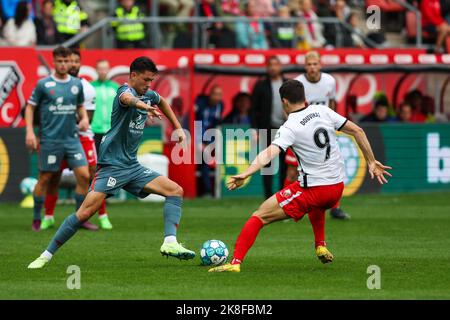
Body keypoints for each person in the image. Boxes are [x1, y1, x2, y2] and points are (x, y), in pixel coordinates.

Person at [27, 56, 195, 269]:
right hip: (111, 167)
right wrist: (144, 106)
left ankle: (170, 243)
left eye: (151, 80)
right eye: (145, 80)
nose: (149, 85)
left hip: (132, 167)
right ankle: (45, 255)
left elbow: (162, 101)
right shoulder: (124, 92)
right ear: (133, 76)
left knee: (175, 191)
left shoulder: (148, 93)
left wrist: (178, 127)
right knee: (84, 213)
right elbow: (127, 99)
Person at [208, 80, 392, 273]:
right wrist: (371, 161)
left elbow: (269, 152)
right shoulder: (323, 111)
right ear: (305, 98)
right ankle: (320, 245)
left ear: (284, 102)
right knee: (316, 203)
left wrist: (245, 173)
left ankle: (235, 263)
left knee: (259, 216)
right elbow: (358, 131)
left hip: (315, 189)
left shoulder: (290, 126)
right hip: (337, 188)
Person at [42, 49, 113, 231]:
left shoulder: (87, 88)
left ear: (80, 63)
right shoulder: (51, 85)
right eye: (69, 61)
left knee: (92, 176)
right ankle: (48, 216)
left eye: (75, 61)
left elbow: (87, 118)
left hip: (81, 138)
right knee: (53, 176)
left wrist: (65, 114)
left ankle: (98, 216)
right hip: (58, 137)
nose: (72, 64)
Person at [24, 46, 91, 232]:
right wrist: (30, 132)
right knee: (46, 178)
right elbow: (30, 108)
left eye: (66, 61)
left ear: (70, 62)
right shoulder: (43, 84)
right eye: (59, 61)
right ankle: (37, 218)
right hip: (50, 140)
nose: (63, 65)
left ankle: (78, 218)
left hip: (72, 139)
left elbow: (80, 106)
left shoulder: (76, 84)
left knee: (85, 176)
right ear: (53, 62)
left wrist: (84, 118)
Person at [293, 51, 350, 220]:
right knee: (294, 170)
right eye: (309, 64)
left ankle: (335, 207)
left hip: (324, 133)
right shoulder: (298, 83)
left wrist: (333, 125)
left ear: (320, 65)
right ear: (305, 66)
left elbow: (332, 103)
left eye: (315, 64)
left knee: (334, 167)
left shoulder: (329, 81)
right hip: (303, 134)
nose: (312, 67)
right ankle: (293, 207)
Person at [251, 56, 288, 199]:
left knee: (285, 165)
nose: (273, 67)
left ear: (280, 66)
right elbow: (254, 109)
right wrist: (255, 129)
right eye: (270, 65)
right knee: (268, 165)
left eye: (275, 64)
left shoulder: (287, 84)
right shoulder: (261, 85)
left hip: (285, 130)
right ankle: (268, 198)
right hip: (267, 129)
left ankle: (283, 197)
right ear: (267, 67)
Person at [195, 85, 224, 197]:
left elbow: (217, 124)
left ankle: (219, 189)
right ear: (210, 94)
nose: (217, 97)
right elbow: (197, 122)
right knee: (205, 158)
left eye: (219, 95)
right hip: (198, 135)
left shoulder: (220, 105)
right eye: (215, 94)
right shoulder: (201, 104)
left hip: (211, 137)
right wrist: (198, 141)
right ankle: (207, 191)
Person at [91, 59, 120, 151]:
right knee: (95, 160)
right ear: (96, 70)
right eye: (100, 69)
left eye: (105, 69)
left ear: (108, 69)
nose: (102, 71)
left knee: (110, 159)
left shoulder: (115, 87)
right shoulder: (90, 86)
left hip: (111, 129)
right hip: (94, 129)